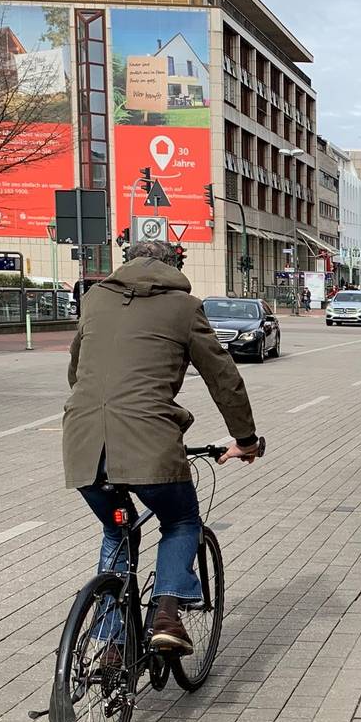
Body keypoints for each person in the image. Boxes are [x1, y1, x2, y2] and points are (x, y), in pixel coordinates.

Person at [63, 240, 262, 656]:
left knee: (116, 529)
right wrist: (245, 440)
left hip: (83, 442)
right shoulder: (184, 307)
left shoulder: (96, 297)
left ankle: (114, 644)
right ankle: (166, 615)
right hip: (150, 443)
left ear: (127, 262)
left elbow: (76, 369)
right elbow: (222, 377)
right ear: (174, 267)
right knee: (181, 521)